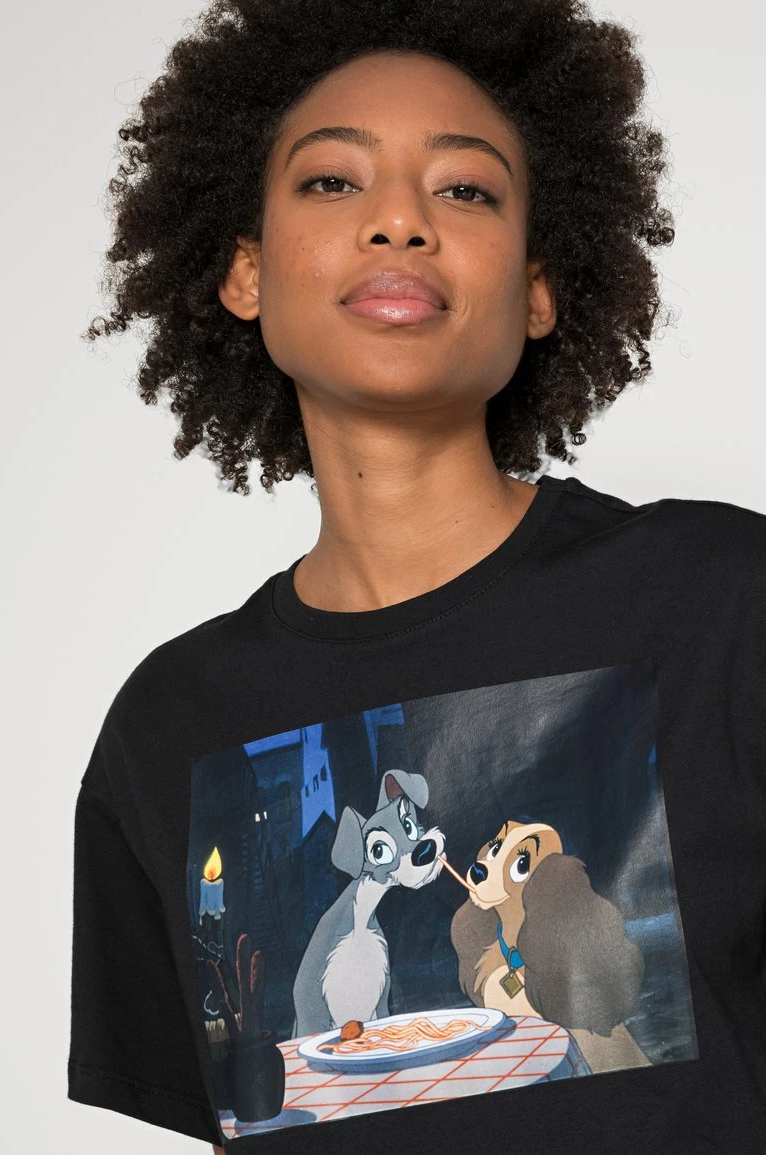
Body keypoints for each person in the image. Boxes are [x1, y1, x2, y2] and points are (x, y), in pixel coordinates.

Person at [67, 0, 766, 1152]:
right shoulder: (167, 726)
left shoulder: (725, 604)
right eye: (331, 181)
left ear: (536, 289)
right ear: (244, 271)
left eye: (466, 190)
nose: (398, 219)